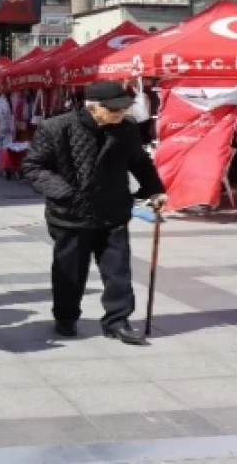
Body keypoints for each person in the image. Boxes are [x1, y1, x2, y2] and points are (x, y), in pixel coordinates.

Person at [20, 80, 166, 346]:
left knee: (118, 271)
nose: (120, 114)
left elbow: (139, 161)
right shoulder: (55, 128)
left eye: (123, 109)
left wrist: (154, 189)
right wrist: (65, 193)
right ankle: (66, 317)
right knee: (70, 271)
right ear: (93, 107)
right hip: (70, 214)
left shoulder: (127, 128)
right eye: (114, 110)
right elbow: (33, 168)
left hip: (113, 211)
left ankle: (118, 321)